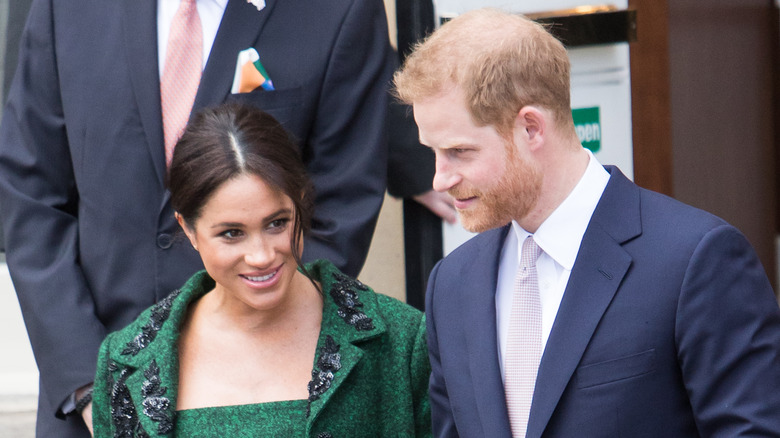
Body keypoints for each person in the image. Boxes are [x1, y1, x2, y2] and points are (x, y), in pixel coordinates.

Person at [0, 0, 391, 436]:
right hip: (89, 402)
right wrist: (89, 386)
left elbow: (342, 201)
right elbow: (29, 195)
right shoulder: (66, 8)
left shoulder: (340, 10)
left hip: (260, 403)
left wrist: (249, 372)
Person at [394, 8, 780, 437]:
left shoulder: (695, 260)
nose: (439, 179)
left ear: (531, 128)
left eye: (460, 152)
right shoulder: (451, 283)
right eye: (433, 152)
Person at [87, 103, 431, 437]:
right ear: (189, 229)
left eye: (277, 223)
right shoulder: (124, 360)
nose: (262, 256)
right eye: (231, 233)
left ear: (300, 203)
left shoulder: (401, 341)